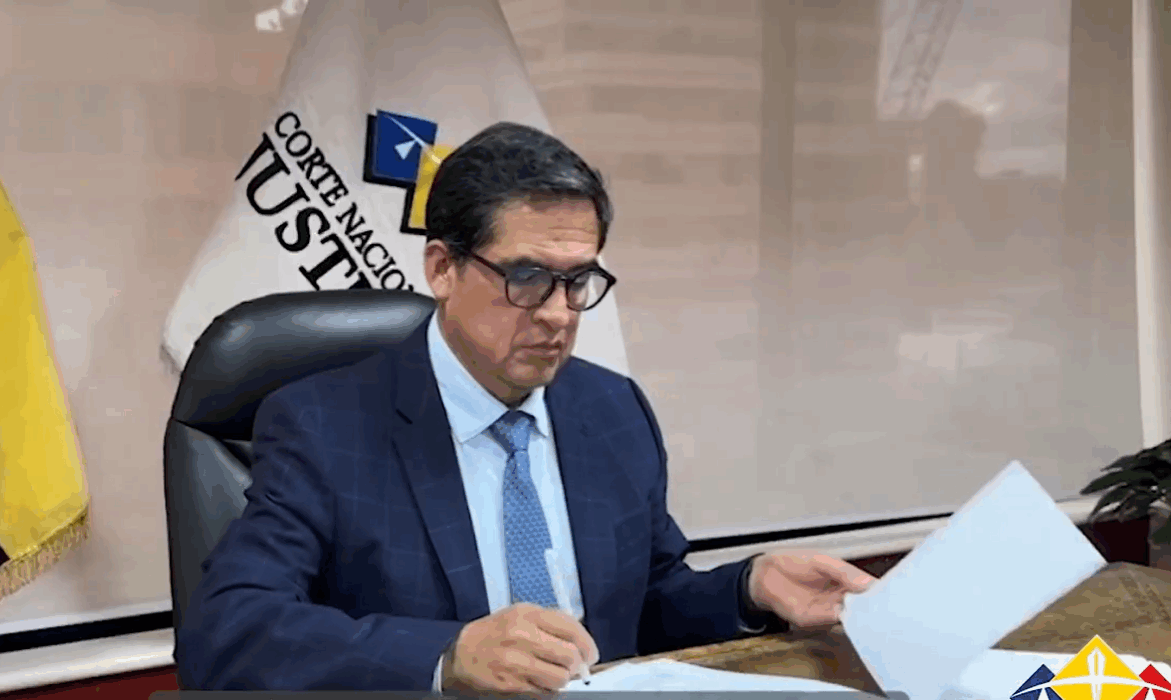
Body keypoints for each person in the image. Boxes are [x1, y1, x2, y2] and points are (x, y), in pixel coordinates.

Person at [174, 122, 876, 694]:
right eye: (528, 277)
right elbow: (229, 632)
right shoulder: (326, 424)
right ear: (442, 268)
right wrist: (446, 657)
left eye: (579, 280)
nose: (559, 315)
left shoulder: (610, 407)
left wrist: (751, 588)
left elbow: (648, 601)